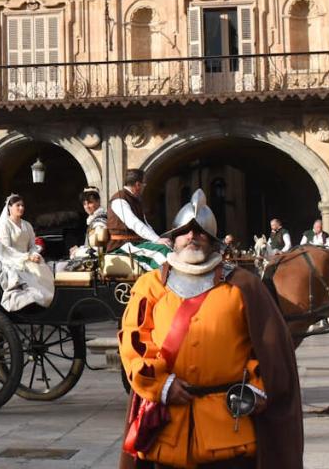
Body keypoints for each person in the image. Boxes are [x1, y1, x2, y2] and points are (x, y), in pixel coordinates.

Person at [117, 189, 302, 469]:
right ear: (174, 239)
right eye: (185, 232)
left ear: (213, 242)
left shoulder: (245, 285)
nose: (192, 236)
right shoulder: (149, 286)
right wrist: (160, 384)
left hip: (230, 426)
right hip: (167, 427)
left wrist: (257, 386)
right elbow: (134, 343)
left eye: (201, 232)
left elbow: (270, 351)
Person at [0, 194, 54, 312]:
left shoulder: (27, 225)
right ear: (10, 208)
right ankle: (27, 301)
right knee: (21, 275)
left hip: (27, 258)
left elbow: (32, 245)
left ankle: (45, 303)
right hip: (9, 258)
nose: (21, 208)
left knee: (43, 270)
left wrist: (34, 254)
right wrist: (26, 257)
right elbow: (7, 248)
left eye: (22, 205)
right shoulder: (5, 225)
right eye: (18, 205)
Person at [107, 169, 171, 272]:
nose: (144, 187)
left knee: (166, 247)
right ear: (137, 185)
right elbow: (134, 223)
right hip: (121, 246)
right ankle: (160, 284)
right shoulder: (119, 200)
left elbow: (145, 224)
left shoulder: (135, 200)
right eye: (143, 184)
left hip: (135, 243)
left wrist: (158, 240)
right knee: (164, 253)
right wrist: (156, 240)